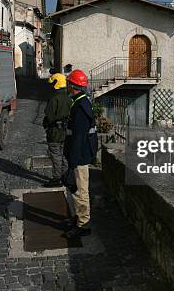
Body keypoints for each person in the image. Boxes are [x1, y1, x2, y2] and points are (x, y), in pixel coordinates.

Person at [63, 69, 97, 239]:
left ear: (73, 86)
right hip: (79, 155)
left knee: (80, 191)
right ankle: (78, 217)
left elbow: (78, 137)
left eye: (69, 83)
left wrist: (73, 161)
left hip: (79, 157)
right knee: (77, 189)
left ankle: (83, 224)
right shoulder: (80, 102)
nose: (67, 86)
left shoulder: (81, 107)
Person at [42, 73, 71, 188]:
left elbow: (49, 116)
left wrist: (46, 124)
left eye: (51, 83)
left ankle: (57, 179)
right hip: (66, 132)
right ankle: (65, 177)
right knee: (64, 156)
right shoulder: (69, 98)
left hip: (54, 132)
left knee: (56, 156)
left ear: (55, 84)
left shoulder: (54, 98)